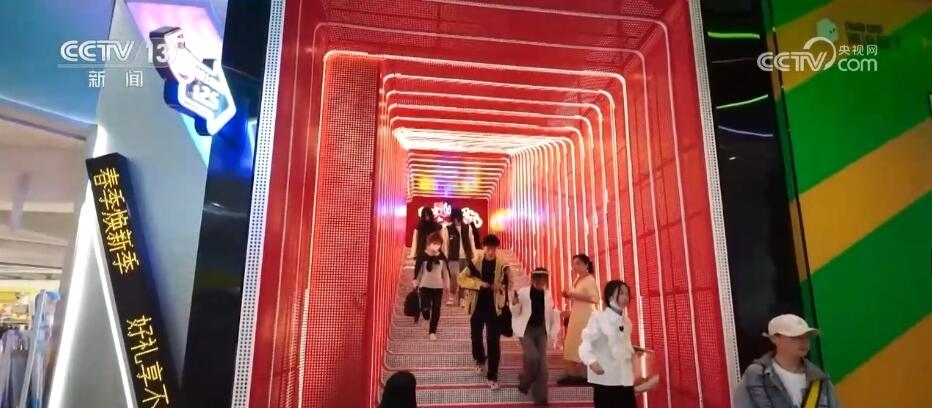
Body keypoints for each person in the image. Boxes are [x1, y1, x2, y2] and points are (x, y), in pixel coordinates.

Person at [732, 314, 843, 408]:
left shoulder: (820, 379)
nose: (803, 342)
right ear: (775, 339)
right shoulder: (756, 375)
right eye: (795, 337)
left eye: (806, 336)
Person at [578, 280, 643, 408]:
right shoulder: (598, 318)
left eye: (627, 294)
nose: (625, 297)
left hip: (625, 379)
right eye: (621, 293)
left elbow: (625, 347)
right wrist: (591, 362)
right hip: (605, 380)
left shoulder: (627, 322)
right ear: (610, 297)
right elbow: (585, 344)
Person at [457, 234, 510, 390]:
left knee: (493, 341)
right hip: (477, 306)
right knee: (475, 336)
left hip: (495, 308)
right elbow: (461, 278)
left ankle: (492, 376)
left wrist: (501, 287)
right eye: (488, 248)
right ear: (483, 248)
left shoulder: (503, 265)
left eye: (493, 248)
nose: (490, 251)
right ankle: (480, 359)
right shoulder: (476, 262)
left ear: (496, 248)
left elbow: (510, 283)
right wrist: (478, 284)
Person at [510, 267, 561, 406]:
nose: (540, 282)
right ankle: (526, 380)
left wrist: (554, 329)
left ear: (546, 280)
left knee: (543, 367)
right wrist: (514, 303)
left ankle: (541, 399)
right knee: (532, 357)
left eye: (543, 279)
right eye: (537, 279)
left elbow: (551, 313)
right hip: (525, 330)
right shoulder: (523, 292)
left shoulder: (548, 295)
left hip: (541, 331)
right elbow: (515, 312)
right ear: (533, 279)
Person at [558, 254, 599, 385]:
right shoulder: (579, 280)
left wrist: (574, 295)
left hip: (586, 318)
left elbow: (595, 299)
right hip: (578, 316)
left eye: (578, 264)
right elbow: (579, 299)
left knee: (578, 345)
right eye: (574, 264)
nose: (575, 266)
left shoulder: (589, 280)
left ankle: (578, 375)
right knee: (572, 345)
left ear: (586, 265)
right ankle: (575, 375)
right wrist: (569, 296)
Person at [412, 232, 450, 340]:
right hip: (425, 286)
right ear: (429, 243)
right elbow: (418, 270)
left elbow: (445, 272)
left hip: (438, 287)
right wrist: (415, 281)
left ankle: (432, 331)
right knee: (425, 306)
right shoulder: (422, 255)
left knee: (436, 309)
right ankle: (426, 318)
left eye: (439, 244)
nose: (436, 246)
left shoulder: (441, 256)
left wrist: (447, 285)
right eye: (434, 243)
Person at [442, 208, 475, 305]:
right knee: (454, 277)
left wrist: (474, 254)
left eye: (458, 217)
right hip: (453, 258)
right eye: (455, 218)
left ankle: (462, 299)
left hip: (466, 257)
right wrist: (445, 256)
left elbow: (471, 241)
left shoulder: (467, 228)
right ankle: (452, 297)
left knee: (464, 278)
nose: (457, 220)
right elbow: (445, 243)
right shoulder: (448, 229)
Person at [409, 207, 441, 274]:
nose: (427, 217)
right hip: (422, 252)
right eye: (425, 215)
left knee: (433, 271)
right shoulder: (419, 227)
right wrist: (414, 254)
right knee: (420, 272)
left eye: (428, 215)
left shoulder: (436, 227)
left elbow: (440, 240)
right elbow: (415, 241)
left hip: (434, 252)